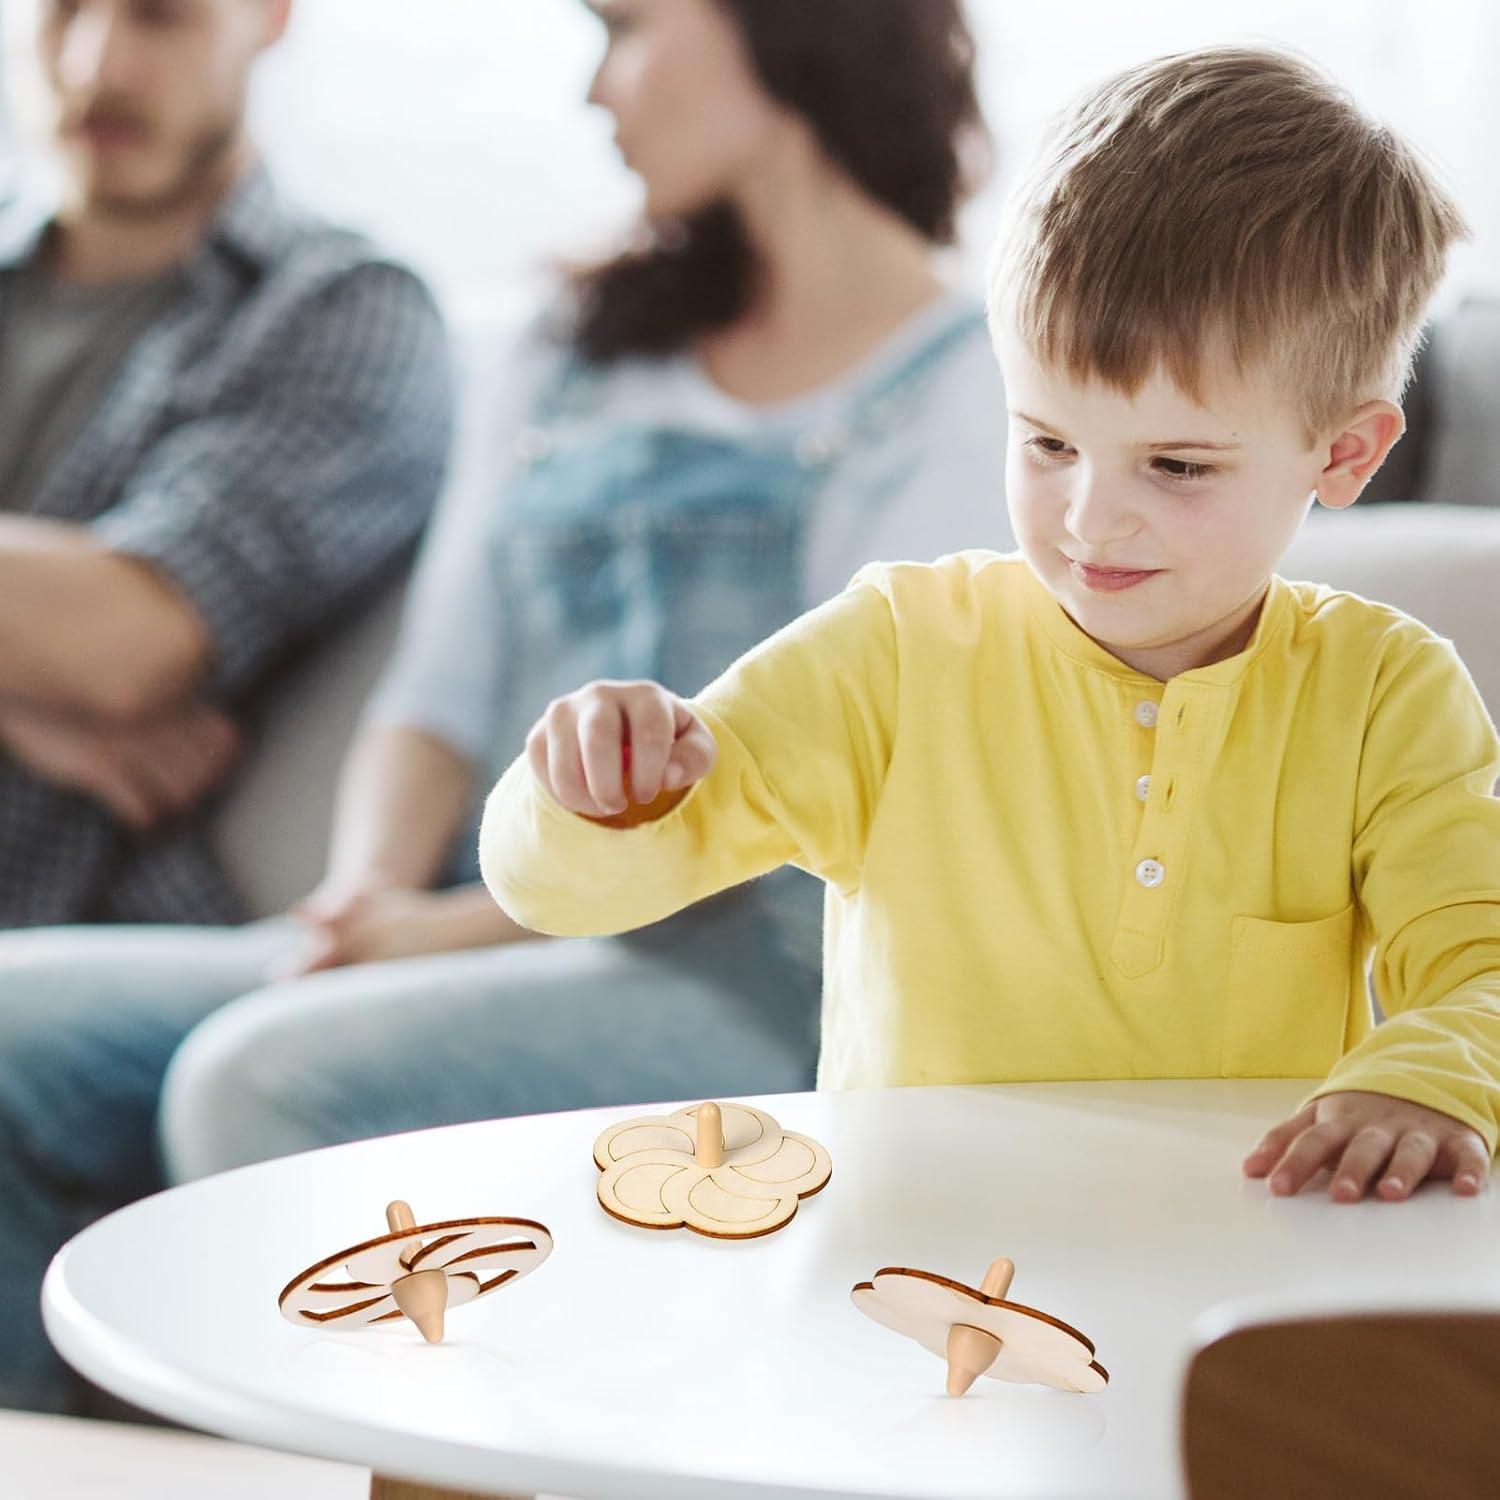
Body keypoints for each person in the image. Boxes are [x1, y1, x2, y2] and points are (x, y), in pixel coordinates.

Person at [0, 0, 1009, 1414]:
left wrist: (437, 929)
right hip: (449, 925)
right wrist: (360, 896)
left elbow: (798, 805)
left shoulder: (968, 386)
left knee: (264, 1082)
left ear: (790, 38)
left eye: (628, 32)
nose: (596, 93)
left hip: (744, 975)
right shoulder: (567, 345)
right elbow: (439, 688)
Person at [482, 46, 1500, 1208]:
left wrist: (1425, 1082)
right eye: (1048, 442)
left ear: (1346, 454)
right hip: (909, 1281)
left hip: (1235, 1282)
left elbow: (1483, 970)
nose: (1090, 516)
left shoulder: (1389, 695)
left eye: (1175, 464)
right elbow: (563, 893)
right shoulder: (897, 652)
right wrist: (588, 797)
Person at [0, 0, 451, 928]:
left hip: (65, 940)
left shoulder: (341, 311)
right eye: (61, 13)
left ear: (271, 17)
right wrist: (22, 711)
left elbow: (125, 643)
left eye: (159, 18)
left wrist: (62, 667)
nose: (97, 65)